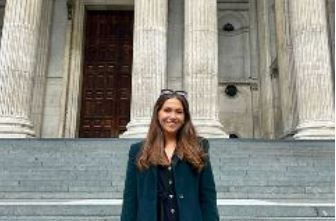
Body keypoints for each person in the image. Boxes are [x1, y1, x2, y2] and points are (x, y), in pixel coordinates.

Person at [121, 89, 219, 221]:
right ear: (158, 113)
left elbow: (208, 197)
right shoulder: (138, 151)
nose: (172, 116)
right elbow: (130, 199)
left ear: (185, 117)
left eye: (179, 112)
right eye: (167, 110)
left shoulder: (199, 147)